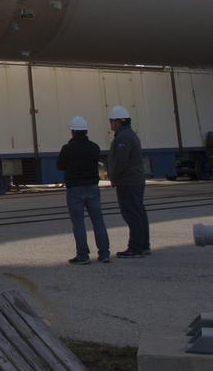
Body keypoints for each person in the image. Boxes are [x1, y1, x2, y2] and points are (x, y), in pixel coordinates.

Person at [57, 116, 110, 264]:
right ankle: (104, 254)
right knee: (98, 221)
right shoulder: (94, 147)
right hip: (92, 188)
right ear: (86, 131)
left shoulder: (67, 149)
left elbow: (60, 165)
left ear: (73, 131)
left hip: (74, 189)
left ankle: (83, 255)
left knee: (78, 223)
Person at [108, 106, 150, 257]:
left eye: (111, 121)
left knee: (132, 214)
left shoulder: (123, 137)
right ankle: (144, 245)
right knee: (138, 213)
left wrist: (114, 177)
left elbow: (121, 161)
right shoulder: (130, 134)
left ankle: (135, 247)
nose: (110, 124)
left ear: (119, 122)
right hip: (135, 180)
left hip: (128, 182)